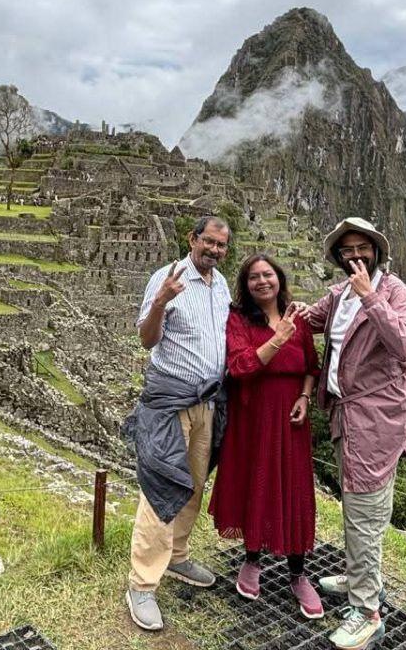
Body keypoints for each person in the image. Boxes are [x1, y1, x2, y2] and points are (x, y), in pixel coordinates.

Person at [295, 217, 406, 650]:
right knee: (360, 505)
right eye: (346, 249)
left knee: (365, 511)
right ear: (338, 256)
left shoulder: (394, 292)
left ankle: (367, 611)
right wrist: (257, 304)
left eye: (362, 248)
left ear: (376, 252)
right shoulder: (336, 296)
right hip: (344, 416)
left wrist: (370, 298)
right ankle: (357, 576)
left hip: (375, 422)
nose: (354, 256)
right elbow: (304, 321)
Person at [124, 215, 232, 632]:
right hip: (170, 400)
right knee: (161, 484)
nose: (214, 250)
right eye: (208, 242)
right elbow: (147, 339)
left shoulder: (220, 285)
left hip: (207, 402)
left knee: (194, 484)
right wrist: (160, 302)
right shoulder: (167, 278)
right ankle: (142, 584)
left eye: (221, 245)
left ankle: (179, 556)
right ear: (192, 239)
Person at [209, 254, 322, 619]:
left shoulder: (297, 319)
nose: (262, 281)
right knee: (255, 483)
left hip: (290, 418)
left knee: (293, 488)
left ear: (279, 278)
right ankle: (252, 560)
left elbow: (310, 367)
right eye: (254, 277)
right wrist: (278, 339)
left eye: (267, 274)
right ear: (246, 285)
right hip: (253, 416)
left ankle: (298, 573)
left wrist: (305, 396)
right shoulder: (239, 320)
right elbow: (240, 366)